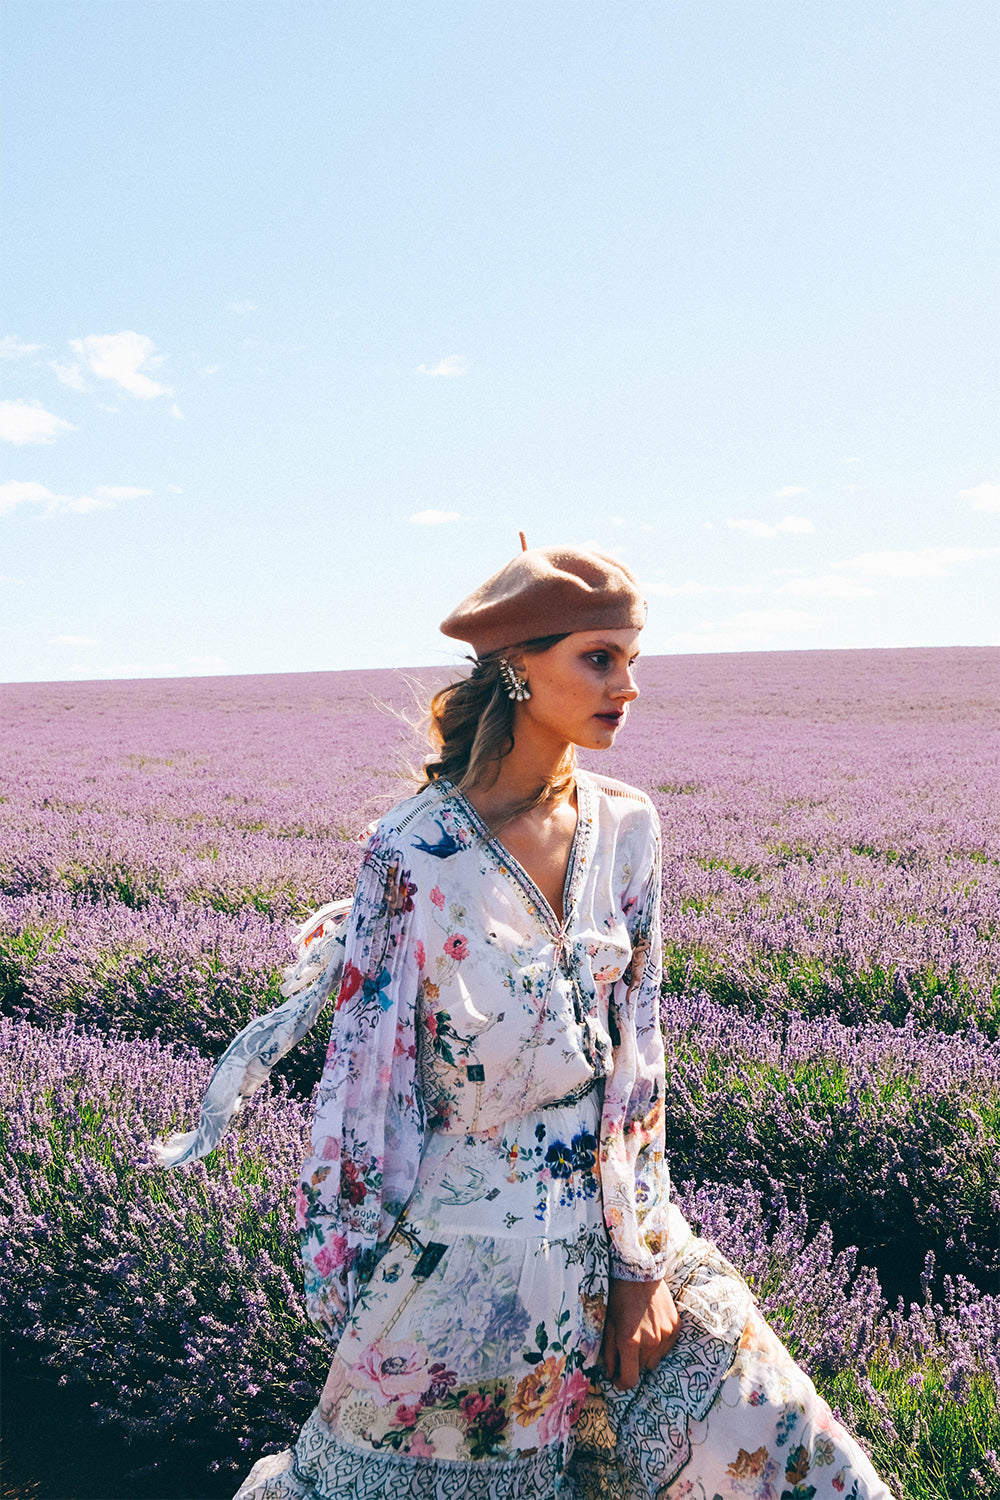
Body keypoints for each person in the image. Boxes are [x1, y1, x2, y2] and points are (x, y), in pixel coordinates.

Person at [228, 543, 896, 1500]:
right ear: (518, 666)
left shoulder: (630, 828)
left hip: (613, 1222)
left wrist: (641, 1266)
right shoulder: (410, 851)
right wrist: (358, 1276)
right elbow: (366, 1089)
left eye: (633, 659)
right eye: (600, 658)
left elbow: (641, 1065)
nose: (628, 685)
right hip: (461, 1258)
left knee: (796, 1458)